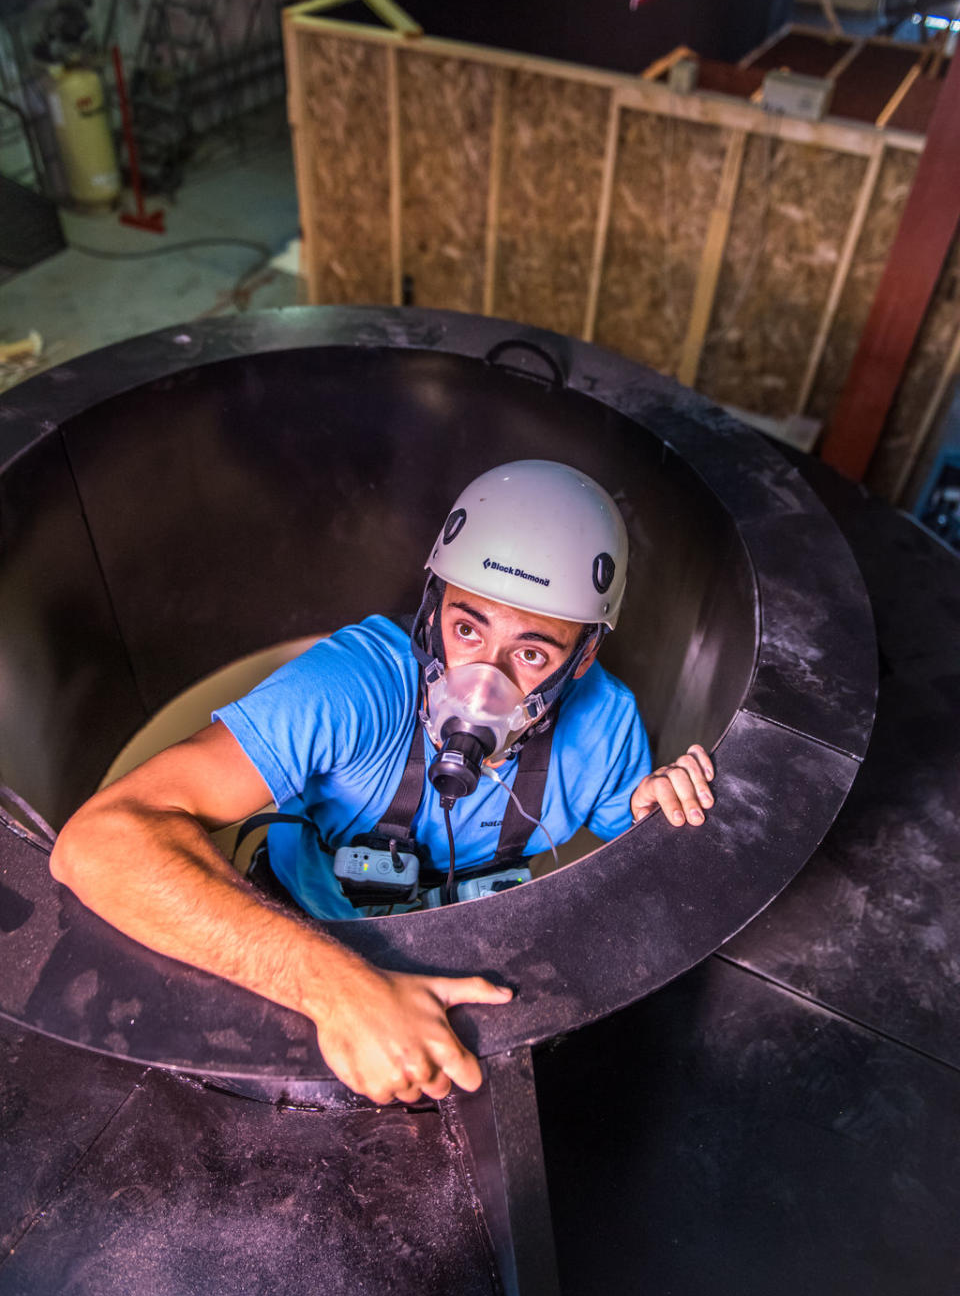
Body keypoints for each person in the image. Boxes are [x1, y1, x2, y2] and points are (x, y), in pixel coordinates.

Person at [51, 461, 714, 1106]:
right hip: (301, 950)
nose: (485, 681)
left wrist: (656, 811)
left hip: (475, 976)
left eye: (532, 653)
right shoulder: (351, 689)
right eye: (466, 628)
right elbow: (100, 841)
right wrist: (338, 989)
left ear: (585, 655)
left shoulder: (605, 725)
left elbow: (623, 836)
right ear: (433, 606)